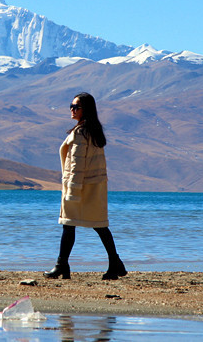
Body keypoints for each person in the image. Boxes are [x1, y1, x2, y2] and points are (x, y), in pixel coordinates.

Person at [43, 92, 127, 280]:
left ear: (85, 110)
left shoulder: (81, 133)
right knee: (96, 225)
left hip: (80, 187)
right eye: (71, 106)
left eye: (76, 107)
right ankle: (114, 263)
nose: (72, 110)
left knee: (71, 224)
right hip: (94, 187)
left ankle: (62, 266)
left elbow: (76, 164)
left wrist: (72, 190)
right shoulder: (93, 131)